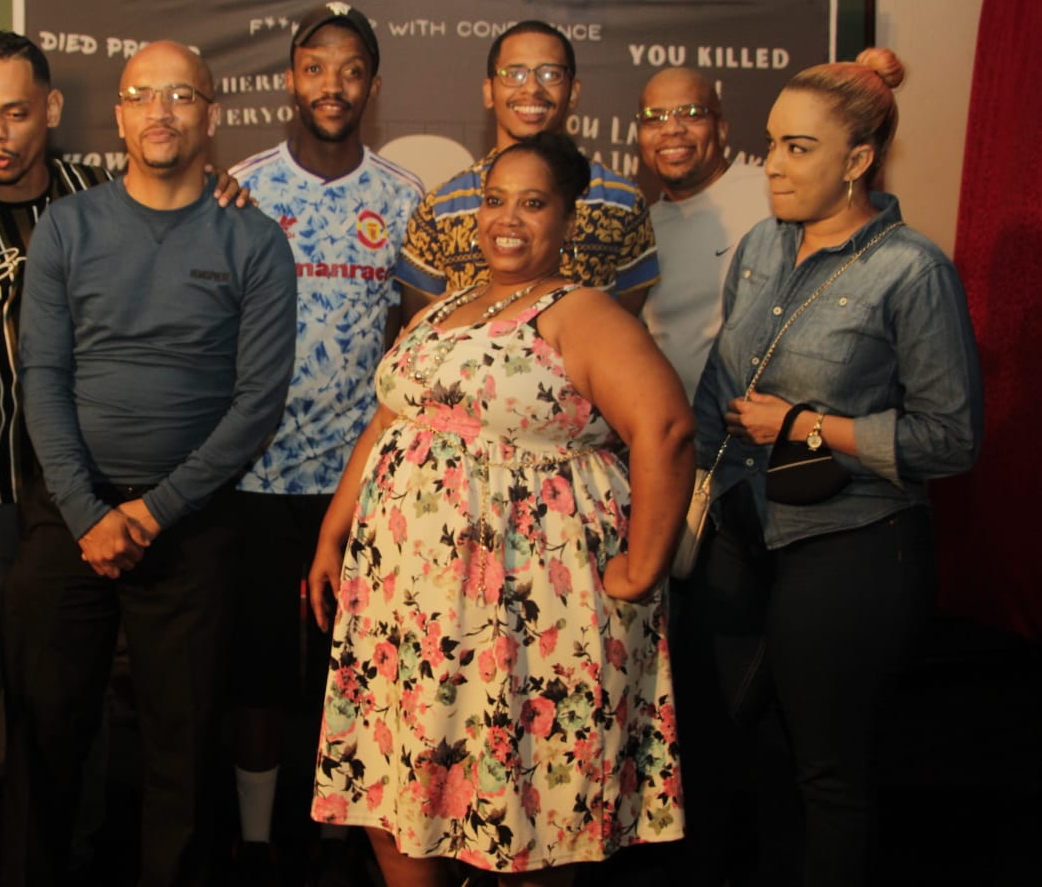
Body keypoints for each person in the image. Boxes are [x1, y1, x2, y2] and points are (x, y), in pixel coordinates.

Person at [0, 30, 249, 886]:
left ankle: (77, 855)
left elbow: (180, 208)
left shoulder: (96, 194)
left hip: (97, 496)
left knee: (77, 699)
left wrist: (220, 190)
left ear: (50, 109)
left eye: (15, 113)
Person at [309, 132, 695, 885]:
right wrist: (335, 532)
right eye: (494, 200)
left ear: (568, 219)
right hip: (408, 607)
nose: (507, 219)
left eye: (533, 202)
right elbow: (391, 420)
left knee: (523, 806)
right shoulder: (448, 304)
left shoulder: (581, 311)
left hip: (526, 605)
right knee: (395, 787)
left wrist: (643, 565)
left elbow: (667, 428)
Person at [686, 48, 982, 885]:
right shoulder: (760, 246)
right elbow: (721, 391)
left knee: (826, 769)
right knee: (722, 748)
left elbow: (951, 438)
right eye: (772, 143)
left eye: (798, 148)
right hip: (741, 525)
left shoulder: (912, 270)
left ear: (857, 161)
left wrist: (808, 425)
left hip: (852, 539)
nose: (773, 165)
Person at [5, 41, 297, 887]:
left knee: (186, 750)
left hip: (192, 525)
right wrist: (87, 512)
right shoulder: (68, 227)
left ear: (212, 114)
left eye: (180, 95)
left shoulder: (254, 240)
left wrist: (153, 511)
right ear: (119, 115)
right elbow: (42, 375)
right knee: (42, 736)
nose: (160, 111)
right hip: (70, 514)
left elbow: (258, 404)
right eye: (142, 95)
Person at [227, 0, 423, 879]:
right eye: (316, 67)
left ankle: (343, 837)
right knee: (260, 672)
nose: (332, 85)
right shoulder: (244, 189)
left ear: (373, 86)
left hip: (364, 481)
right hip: (257, 476)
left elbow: (415, 339)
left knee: (357, 669)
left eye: (351, 70)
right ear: (290, 81)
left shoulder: (404, 198)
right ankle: (256, 839)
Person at [394, 20, 657, 321]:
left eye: (550, 74)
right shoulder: (441, 207)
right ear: (489, 91)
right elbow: (425, 326)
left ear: (573, 92)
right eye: (513, 74)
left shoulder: (621, 201)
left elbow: (624, 320)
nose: (531, 88)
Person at [635, 67, 768, 397]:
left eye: (691, 114)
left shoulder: (771, 194)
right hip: (680, 421)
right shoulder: (640, 231)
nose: (672, 129)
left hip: (764, 421)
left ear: (721, 129)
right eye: (654, 118)